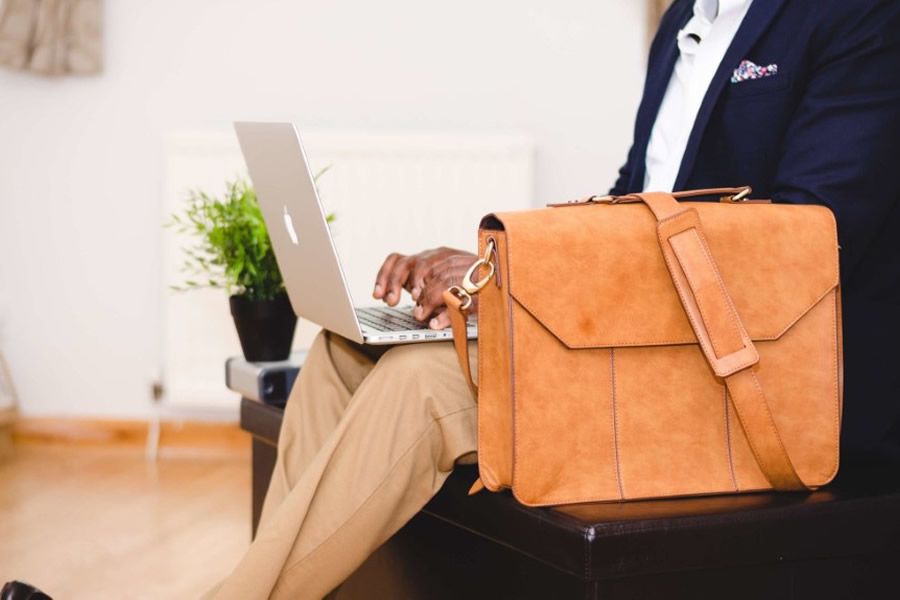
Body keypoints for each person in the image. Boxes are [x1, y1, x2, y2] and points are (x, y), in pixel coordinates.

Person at [211, 1, 900, 598]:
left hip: (752, 380)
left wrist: (527, 279)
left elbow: (804, 247)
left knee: (426, 384)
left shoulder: (859, 15)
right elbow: (635, 202)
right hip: (647, 349)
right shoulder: (683, 25)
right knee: (342, 353)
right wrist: (496, 274)